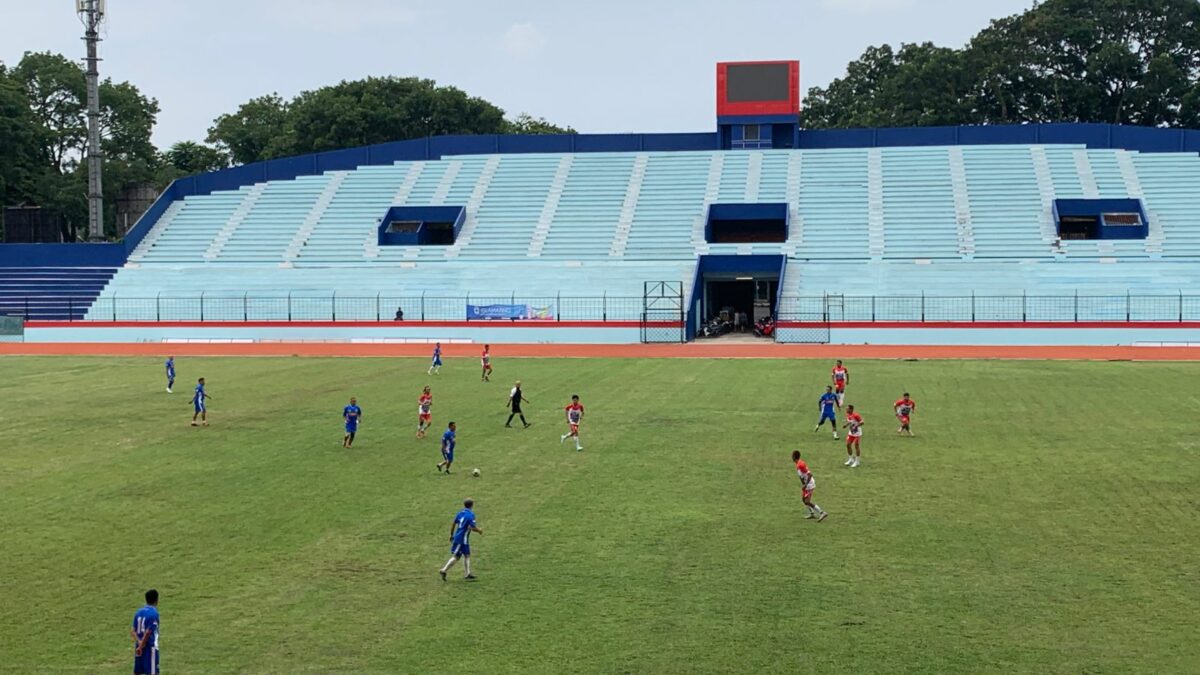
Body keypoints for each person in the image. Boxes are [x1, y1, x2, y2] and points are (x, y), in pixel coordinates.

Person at [439, 498, 482, 581]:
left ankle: (468, 573)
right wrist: (479, 530)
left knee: (467, 555)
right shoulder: (471, 515)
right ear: (472, 505)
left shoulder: (460, 513)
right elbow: (472, 527)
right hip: (462, 539)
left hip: (459, 537)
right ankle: (443, 570)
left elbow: (453, 524)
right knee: (457, 556)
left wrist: (451, 534)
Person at [131, 588, 160, 675]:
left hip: (138, 648)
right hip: (150, 648)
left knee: (137, 672)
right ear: (156, 600)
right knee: (152, 672)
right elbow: (148, 632)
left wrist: (139, 643)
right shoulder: (154, 613)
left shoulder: (139, 612)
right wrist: (142, 645)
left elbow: (133, 631)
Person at [792, 451, 828, 521]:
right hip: (806, 485)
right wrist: (803, 484)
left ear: (794, 457)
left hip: (809, 485)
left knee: (807, 501)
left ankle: (822, 513)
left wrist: (805, 485)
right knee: (803, 499)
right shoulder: (798, 464)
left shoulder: (801, 465)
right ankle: (812, 513)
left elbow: (810, 475)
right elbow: (801, 476)